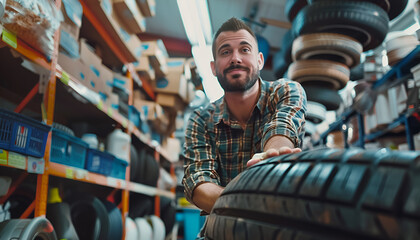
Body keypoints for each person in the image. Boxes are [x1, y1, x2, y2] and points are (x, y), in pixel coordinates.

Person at [182, 17, 307, 215]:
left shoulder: (286, 90)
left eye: (244, 49)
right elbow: (198, 183)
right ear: (214, 68)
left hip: (281, 222)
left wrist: (270, 157)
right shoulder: (201, 119)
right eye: (225, 52)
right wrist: (245, 204)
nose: (235, 58)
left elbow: (282, 127)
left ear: (259, 60)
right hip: (222, 228)